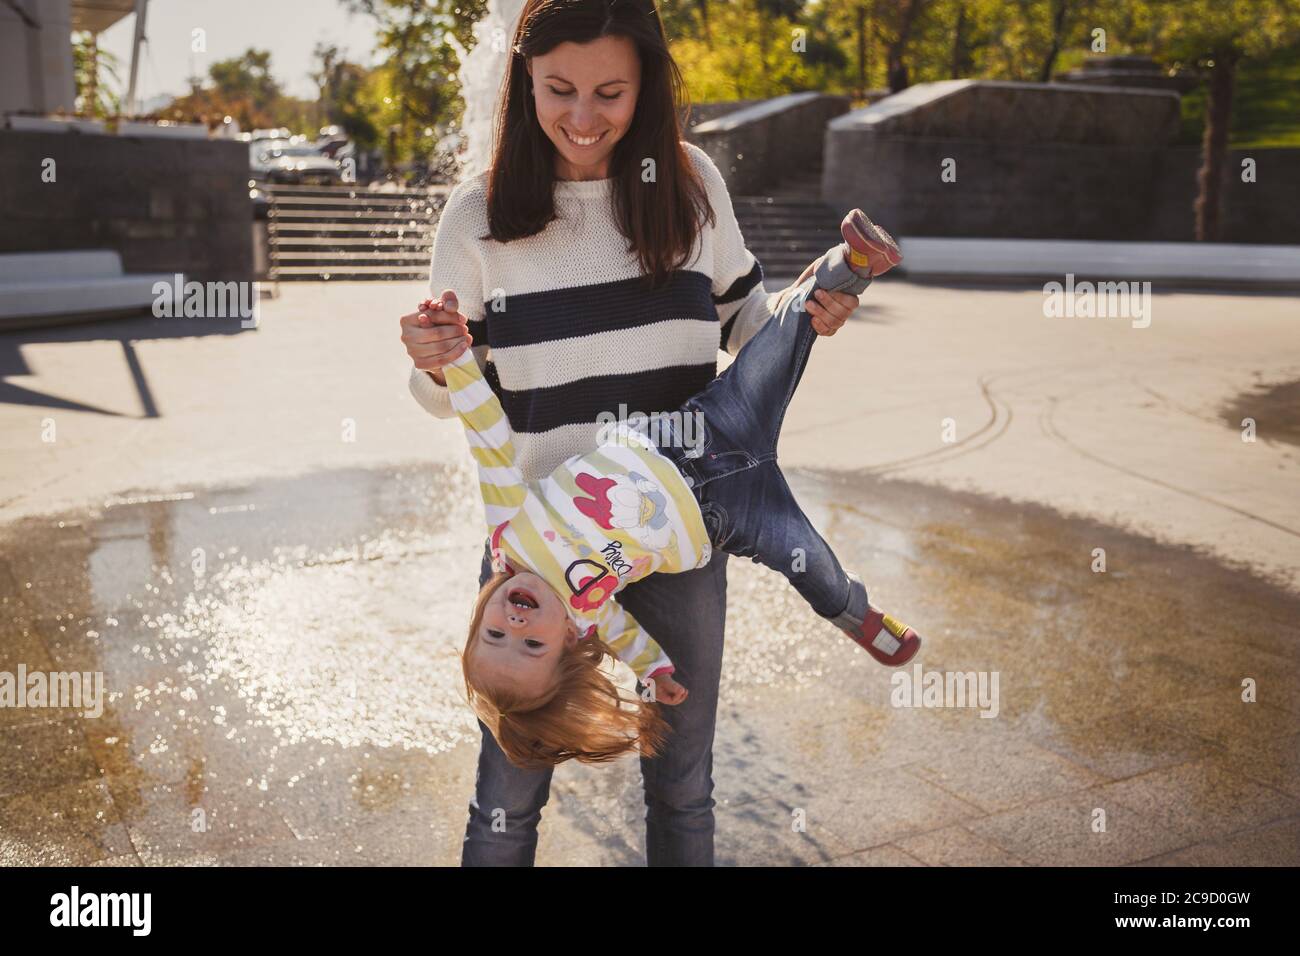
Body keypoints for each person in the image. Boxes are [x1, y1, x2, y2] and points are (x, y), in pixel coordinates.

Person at [399, 0, 866, 866]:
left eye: (610, 92)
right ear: (522, 83)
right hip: (535, 548)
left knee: (683, 783)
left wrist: (813, 316)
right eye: (558, 90)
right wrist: (432, 358)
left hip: (678, 537)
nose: (583, 118)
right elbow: (449, 393)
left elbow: (746, 329)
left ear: (647, 83)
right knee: (506, 791)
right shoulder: (478, 216)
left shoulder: (689, 182)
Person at [436, 209, 921, 771]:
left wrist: (457, 364)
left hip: (701, 431)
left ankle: (852, 264)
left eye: (493, 634)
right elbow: (627, 634)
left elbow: (489, 441)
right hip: (729, 515)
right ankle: (853, 613)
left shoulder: (510, 528)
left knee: (778, 344)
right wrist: (657, 671)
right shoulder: (585, 612)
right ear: (568, 641)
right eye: (531, 646)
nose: (514, 627)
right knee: (807, 559)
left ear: (479, 616)